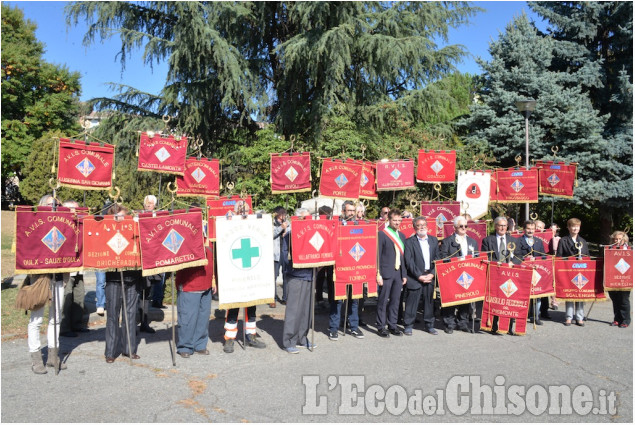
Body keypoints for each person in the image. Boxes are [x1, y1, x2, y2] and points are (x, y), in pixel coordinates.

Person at [26, 194, 65, 374]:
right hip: (40, 278)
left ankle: (52, 356)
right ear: (42, 206)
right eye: (50, 204)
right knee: (37, 319)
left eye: (56, 204)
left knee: (55, 319)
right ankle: (35, 358)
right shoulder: (34, 225)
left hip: (58, 276)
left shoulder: (63, 224)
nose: (54, 207)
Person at [104, 204, 142, 362]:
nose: (123, 219)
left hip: (132, 277)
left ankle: (129, 349)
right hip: (114, 278)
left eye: (124, 216)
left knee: (131, 314)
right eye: (119, 216)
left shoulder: (134, 228)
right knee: (113, 315)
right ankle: (111, 352)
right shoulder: (107, 231)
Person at [328, 201, 364, 340]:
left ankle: (354, 327)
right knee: (337, 300)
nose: (351, 213)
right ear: (343, 212)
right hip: (340, 269)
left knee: (354, 299)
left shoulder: (359, 225)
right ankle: (333, 328)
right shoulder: (336, 225)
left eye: (353, 211)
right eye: (349, 211)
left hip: (355, 268)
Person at [282, 208, 315, 353]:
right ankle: (289, 340)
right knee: (294, 311)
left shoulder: (313, 234)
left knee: (306, 311)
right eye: (305, 219)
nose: (308, 221)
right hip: (296, 276)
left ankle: (302, 337)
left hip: (310, 275)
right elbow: (285, 258)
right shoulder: (289, 235)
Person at [439, 216, 479, 334]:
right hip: (452, 275)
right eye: (461, 226)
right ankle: (449, 323)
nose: (463, 228)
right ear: (455, 227)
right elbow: (443, 258)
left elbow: (476, 257)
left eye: (465, 226)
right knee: (451, 299)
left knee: (465, 300)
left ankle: (463, 322)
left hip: (467, 275)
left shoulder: (472, 241)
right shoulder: (447, 241)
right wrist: (456, 263)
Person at [175, 246, 216, 358]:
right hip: (189, 283)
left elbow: (212, 258)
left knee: (203, 317)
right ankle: (185, 346)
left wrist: (213, 279)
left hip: (206, 282)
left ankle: (200, 344)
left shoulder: (209, 231)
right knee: (188, 318)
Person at [403, 217, 439, 335]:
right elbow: (409, 261)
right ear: (414, 228)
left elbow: (438, 259)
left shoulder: (434, 240)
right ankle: (408, 325)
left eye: (424, 225)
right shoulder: (409, 242)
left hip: (429, 275)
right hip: (415, 277)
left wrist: (432, 274)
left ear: (427, 226)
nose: (422, 227)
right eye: (419, 225)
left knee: (429, 302)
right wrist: (418, 275)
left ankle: (429, 325)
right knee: (412, 302)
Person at [376, 208, 407, 337]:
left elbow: (403, 257)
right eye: (395, 220)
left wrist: (404, 274)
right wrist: (378, 274)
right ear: (389, 220)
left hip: (398, 272)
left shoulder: (402, 236)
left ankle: (393, 325)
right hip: (385, 273)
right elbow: (377, 256)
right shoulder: (382, 234)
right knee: (383, 301)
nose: (397, 223)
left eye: (399, 220)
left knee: (395, 300)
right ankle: (381, 326)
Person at [59, 200, 88, 337]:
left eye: (77, 209)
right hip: (67, 267)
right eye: (73, 209)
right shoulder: (61, 225)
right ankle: (64, 328)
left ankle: (77, 324)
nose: (76, 212)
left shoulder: (80, 224)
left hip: (79, 267)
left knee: (79, 295)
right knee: (67, 297)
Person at [556, 218, 590, 327]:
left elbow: (587, 257)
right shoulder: (563, 240)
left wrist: (583, 259)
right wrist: (569, 260)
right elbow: (559, 257)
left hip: (580, 271)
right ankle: (569, 317)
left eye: (577, 226)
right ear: (568, 227)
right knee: (569, 293)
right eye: (573, 226)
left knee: (580, 294)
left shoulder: (583, 241)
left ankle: (579, 317)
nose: (575, 228)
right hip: (568, 271)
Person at [516, 220, 547, 325]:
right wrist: (525, 258)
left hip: (536, 272)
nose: (530, 231)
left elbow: (543, 256)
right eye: (528, 229)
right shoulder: (518, 241)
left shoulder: (539, 241)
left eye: (532, 229)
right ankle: (522, 315)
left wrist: (537, 258)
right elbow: (516, 255)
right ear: (524, 229)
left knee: (537, 294)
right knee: (523, 293)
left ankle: (535, 316)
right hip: (523, 270)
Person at [608, 231, 630, 328]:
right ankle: (617, 319)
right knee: (615, 299)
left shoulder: (629, 250)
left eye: (620, 239)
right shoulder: (609, 250)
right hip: (612, 278)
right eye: (615, 239)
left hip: (625, 279)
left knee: (623, 300)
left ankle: (625, 320)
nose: (617, 241)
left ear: (624, 240)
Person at [272, 206, 289, 306]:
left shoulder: (288, 223)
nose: (283, 215)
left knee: (286, 275)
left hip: (285, 252)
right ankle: (273, 298)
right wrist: (280, 228)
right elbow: (270, 234)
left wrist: (286, 233)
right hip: (275, 253)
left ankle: (285, 297)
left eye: (284, 213)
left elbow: (291, 233)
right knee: (273, 276)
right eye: (282, 213)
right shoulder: (272, 223)